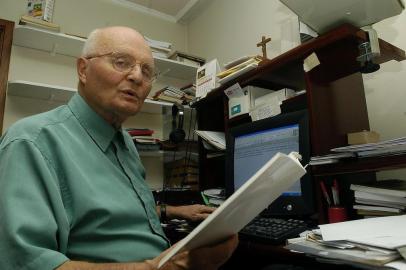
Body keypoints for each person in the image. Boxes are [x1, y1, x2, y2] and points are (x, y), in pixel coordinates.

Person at [0, 26, 238, 270]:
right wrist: (162, 267)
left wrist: (176, 211)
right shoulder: (31, 142)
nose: (137, 77)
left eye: (147, 71)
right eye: (121, 62)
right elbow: (24, 263)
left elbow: (115, 215)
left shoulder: (124, 142)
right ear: (83, 70)